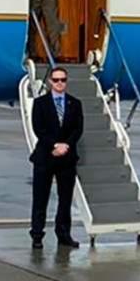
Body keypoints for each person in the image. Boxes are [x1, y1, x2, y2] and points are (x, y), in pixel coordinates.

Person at [29, 68, 83, 249]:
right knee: (40, 199)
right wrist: (55, 145)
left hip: (66, 158)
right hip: (45, 156)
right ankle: (37, 235)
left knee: (65, 200)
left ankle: (63, 234)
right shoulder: (40, 103)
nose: (60, 83)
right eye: (56, 80)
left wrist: (65, 145)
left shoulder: (75, 103)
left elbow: (78, 129)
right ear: (50, 82)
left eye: (63, 80)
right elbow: (39, 129)